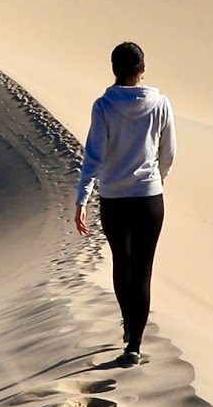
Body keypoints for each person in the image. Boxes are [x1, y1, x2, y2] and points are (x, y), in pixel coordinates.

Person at [74, 41, 176, 367]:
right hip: (149, 198)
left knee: (123, 264)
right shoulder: (161, 104)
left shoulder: (103, 106)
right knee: (143, 271)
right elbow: (168, 153)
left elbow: (94, 156)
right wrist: (156, 179)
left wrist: (82, 198)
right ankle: (135, 343)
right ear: (142, 69)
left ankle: (129, 324)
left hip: (115, 199)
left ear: (114, 70)